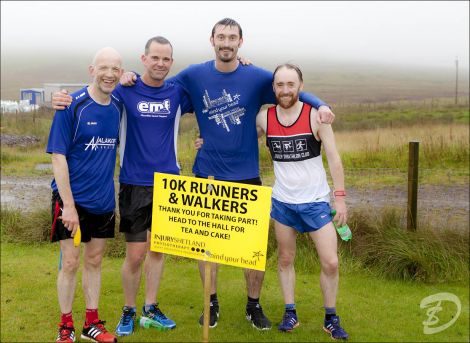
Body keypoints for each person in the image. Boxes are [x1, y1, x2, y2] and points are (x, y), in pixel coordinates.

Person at [121, 18, 336, 331]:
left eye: (232, 37)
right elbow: (159, 87)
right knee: (207, 248)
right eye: (221, 37)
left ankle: (254, 305)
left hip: (247, 175)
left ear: (240, 42)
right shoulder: (194, 75)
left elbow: (291, 89)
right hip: (207, 174)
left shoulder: (256, 76)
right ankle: (211, 303)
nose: (226, 42)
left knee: (252, 250)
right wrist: (129, 76)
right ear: (212, 40)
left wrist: (322, 104)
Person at [52, 36, 192, 337]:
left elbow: (214, 99)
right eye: (155, 57)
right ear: (143, 60)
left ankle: (149, 308)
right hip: (134, 185)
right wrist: (60, 98)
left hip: (169, 185)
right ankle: (122, 311)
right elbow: (93, 94)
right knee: (133, 254)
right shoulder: (124, 92)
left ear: (171, 62)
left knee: (157, 251)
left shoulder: (177, 92)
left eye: (166, 59)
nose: (160, 63)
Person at [255, 63, 349, 339]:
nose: (285, 90)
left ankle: (331, 318)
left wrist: (340, 198)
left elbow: (333, 158)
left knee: (330, 262)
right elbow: (237, 139)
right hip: (283, 202)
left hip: (316, 202)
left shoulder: (315, 117)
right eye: (280, 85)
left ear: (300, 87)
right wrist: (204, 141)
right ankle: (290, 312)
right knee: (285, 258)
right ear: (273, 88)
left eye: (290, 84)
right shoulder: (264, 118)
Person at [47, 47, 123, 343]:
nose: (109, 74)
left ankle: (92, 323)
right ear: (92, 70)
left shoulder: (118, 105)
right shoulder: (72, 106)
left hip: (103, 201)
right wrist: (68, 206)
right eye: (104, 68)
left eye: (116, 69)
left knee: (94, 261)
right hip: (71, 203)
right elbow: (57, 156)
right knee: (70, 262)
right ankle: (65, 326)